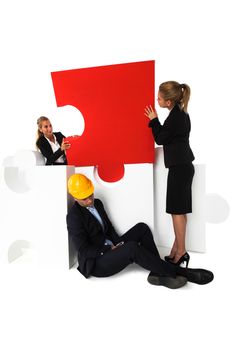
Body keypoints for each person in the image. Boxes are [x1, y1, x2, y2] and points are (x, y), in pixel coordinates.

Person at [66, 173, 213, 289]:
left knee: (142, 228)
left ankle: (157, 271)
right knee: (132, 249)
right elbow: (84, 250)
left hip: (111, 247)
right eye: (84, 199)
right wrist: (109, 248)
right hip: (97, 262)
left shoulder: (97, 203)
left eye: (90, 195)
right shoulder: (73, 217)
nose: (90, 200)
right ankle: (182, 272)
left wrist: (118, 244)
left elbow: (108, 228)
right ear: (75, 197)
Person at [145, 81, 195, 267]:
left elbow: (160, 138)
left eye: (159, 98)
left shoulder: (176, 118)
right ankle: (177, 248)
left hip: (180, 168)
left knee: (176, 211)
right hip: (182, 167)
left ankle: (181, 251)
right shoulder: (180, 114)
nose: (156, 100)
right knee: (179, 210)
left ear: (168, 102)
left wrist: (154, 119)